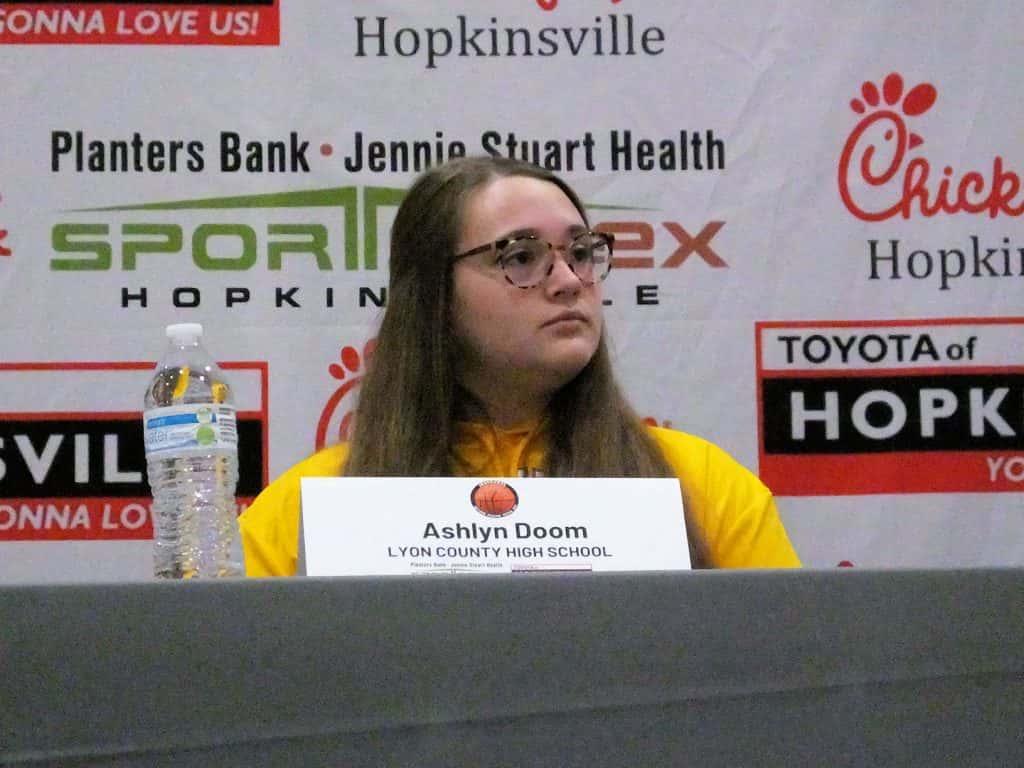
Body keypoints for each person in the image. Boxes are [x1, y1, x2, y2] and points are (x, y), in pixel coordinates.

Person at [239, 156, 800, 575]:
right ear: (433, 297)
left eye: (581, 252)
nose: (569, 281)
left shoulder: (704, 485)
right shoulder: (310, 508)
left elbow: (793, 683)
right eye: (522, 257)